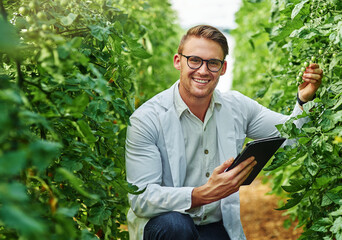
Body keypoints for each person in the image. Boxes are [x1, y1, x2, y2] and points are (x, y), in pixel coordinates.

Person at [125, 25, 323, 240]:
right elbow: (141, 198)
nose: (203, 70)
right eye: (194, 60)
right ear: (177, 61)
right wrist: (201, 194)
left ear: (223, 68)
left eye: (213, 63)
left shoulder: (237, 107)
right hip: (165, 226)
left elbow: (290, 138)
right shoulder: (147, 119)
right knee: (176, 226)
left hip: (213, 224)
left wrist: (304, 100)